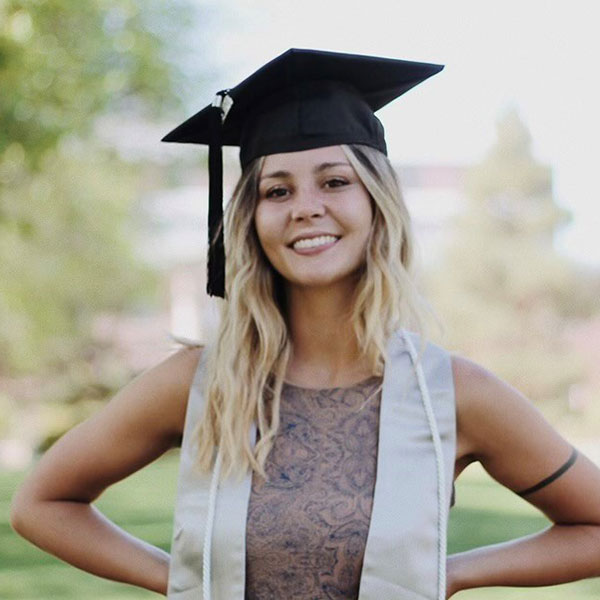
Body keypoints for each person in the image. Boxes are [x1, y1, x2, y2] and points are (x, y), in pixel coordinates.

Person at [10, 48, 600, 600]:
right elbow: (42, 503)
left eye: (335, 181)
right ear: (252, 219)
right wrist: (191, 582)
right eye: (276, 190)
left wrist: (449, 574)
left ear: (377, 203)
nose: (306, 207)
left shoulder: (449, 394)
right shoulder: (199, 384)